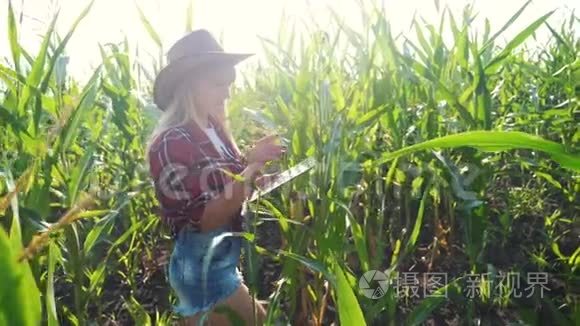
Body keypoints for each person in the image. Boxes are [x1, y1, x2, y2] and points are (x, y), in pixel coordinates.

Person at [147, 29, 285, 325]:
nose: (227, 93)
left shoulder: (216, 132)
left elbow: (226, 189)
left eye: (230, 83)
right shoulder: (171, 142)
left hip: (221, 259)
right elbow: (204, 218)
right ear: (190, 86)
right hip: (202, 268)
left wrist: (257, 178)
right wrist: (250, 168)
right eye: (218, 84)